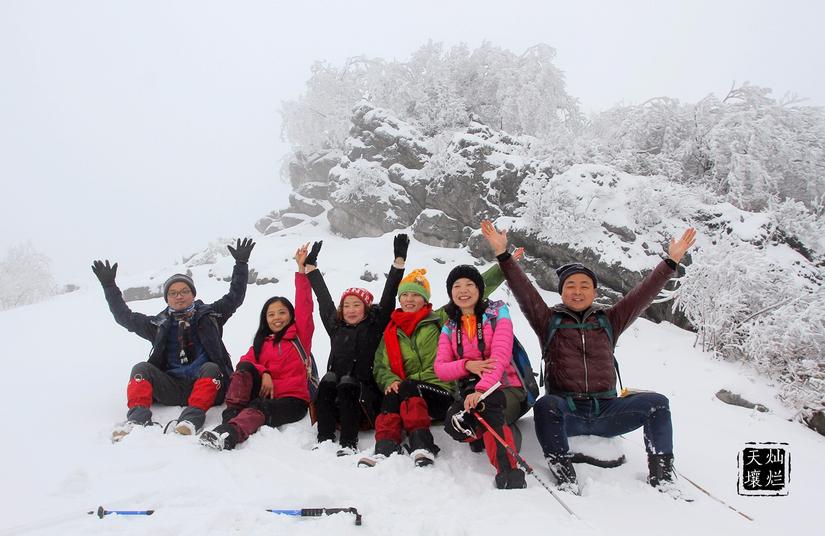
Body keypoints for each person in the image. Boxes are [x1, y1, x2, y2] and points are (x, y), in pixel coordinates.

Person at [481, 220, 696, 494]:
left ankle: (662, 475)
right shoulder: (548, 321)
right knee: (546, 405)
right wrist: (503, 255)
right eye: (570, 286)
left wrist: (670, 262)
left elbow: (642, 295)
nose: (578, 291)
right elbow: (525, 292)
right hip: (566, 413)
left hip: (607, 410)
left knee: (657, 403)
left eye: (585, 286)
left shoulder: (610, 320)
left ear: (594, 292)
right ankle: (564, 474)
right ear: (561, 292)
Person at [91, 238, 255, 441]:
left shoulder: (210, 315)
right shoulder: (158, 324)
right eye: (173, 293)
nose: (179, 296)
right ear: (167, 298)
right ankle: (137, 419)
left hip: (209, 385)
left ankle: (190, 420)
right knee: (141, 369)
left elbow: (235, 297)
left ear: (193, 294)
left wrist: (241, 264)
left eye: (185, 291)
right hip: (171, 387)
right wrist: (109, 286)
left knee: (211, 367)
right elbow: (124, 317)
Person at [371, 259, 514, 467]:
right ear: (399, 298)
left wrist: (503, 264)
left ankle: (422, 445)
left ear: (425, 299)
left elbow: (472, 290)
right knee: (393, 391)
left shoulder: (439, 318)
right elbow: (380, 366)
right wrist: (390, 380)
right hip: (410, 396)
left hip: (441, 392)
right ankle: (385, 446)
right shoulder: (391, 332)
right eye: (405, 295)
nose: (409, 299)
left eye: (415, 295)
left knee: (408, 385)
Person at [199, 243, 314, 451]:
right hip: (265, 395)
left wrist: (301, 270)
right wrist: (265, 372)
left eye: (282, 312)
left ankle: (230, 434)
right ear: (265, 319)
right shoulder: (262, 342)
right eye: (271, 314)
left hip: (293, 401)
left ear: (291, 315)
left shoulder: (300, 337)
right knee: (245, 368)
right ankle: (230, 418)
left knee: (258, 405)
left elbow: (305, 305)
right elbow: (244, 363)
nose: (277, 318)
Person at [305, 235, 409, 456]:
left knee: (347, 382)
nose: (351, 310)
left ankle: (348, 443)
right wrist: (311, 268)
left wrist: (398, 262)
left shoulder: (375, 327)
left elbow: (389, 295)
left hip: (365, 401)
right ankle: (324, 438)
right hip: (336, 402)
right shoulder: (336, 327)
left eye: (356, 305)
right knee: (329, 379)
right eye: (346, 305)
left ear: (366, 308)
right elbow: (324, 301)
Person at [435, 264, 527, 489]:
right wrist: (467, 365)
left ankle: (509, 472)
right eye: (457, 286)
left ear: (480, 289)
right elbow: (440, 368)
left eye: (469, 284)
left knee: (486, 405)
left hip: (507, 387)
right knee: (453, 424)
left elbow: (500, 356)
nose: (463, 290)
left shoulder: (497, 313)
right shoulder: (450, 326)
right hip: (471, 394)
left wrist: (481, 390)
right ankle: (488, 432)